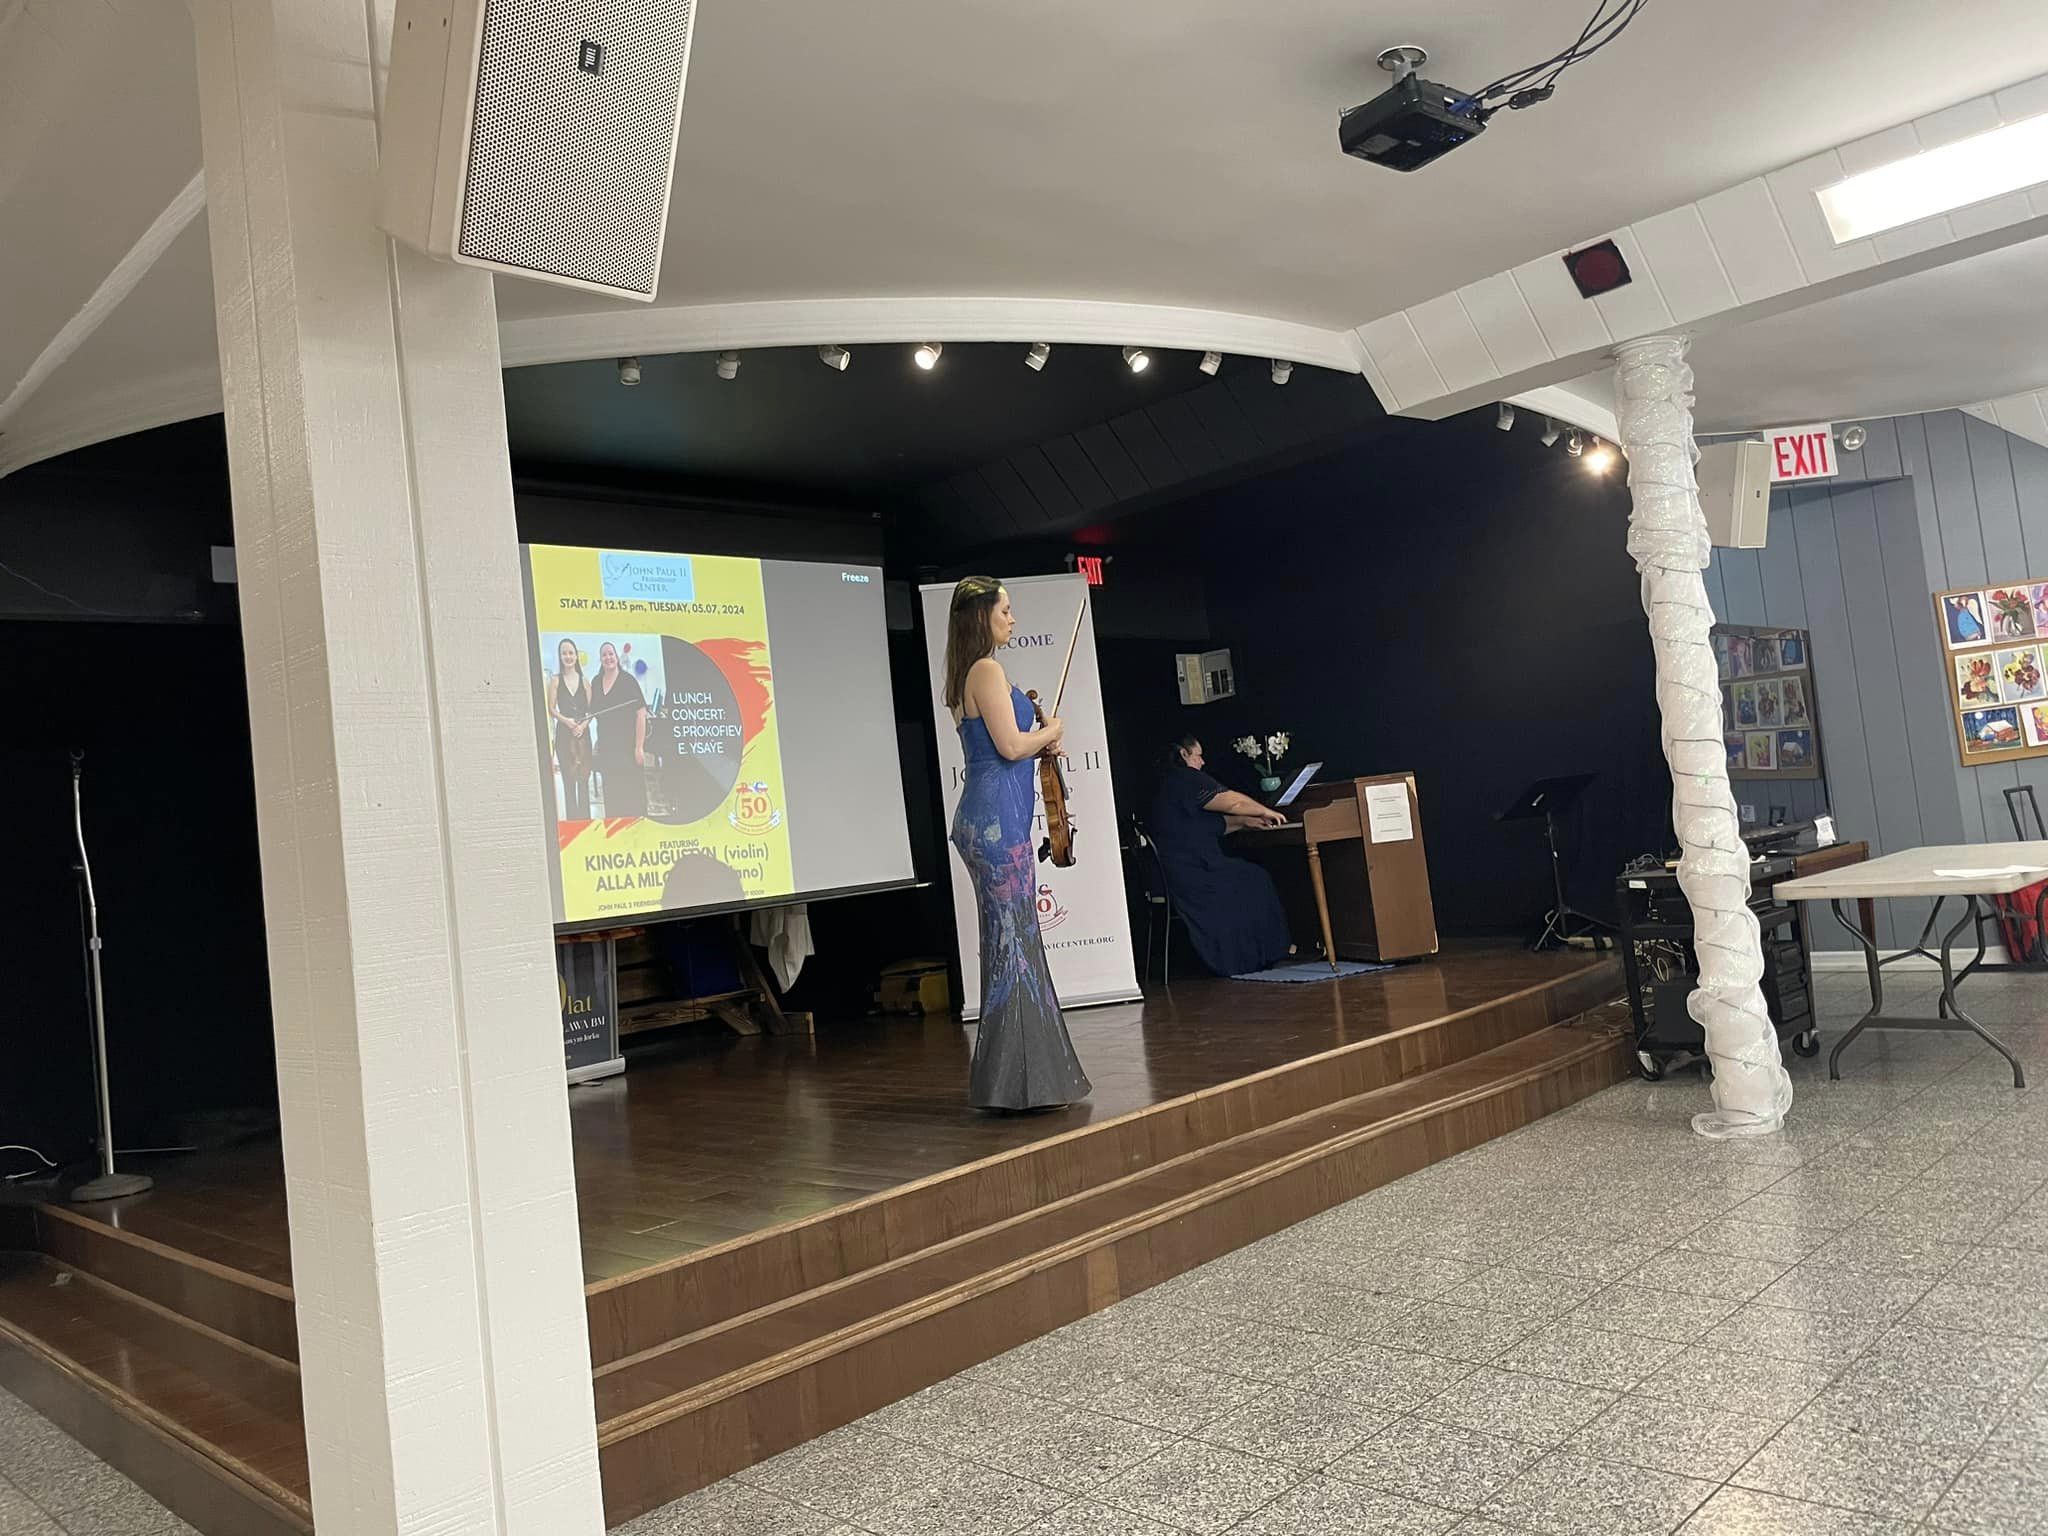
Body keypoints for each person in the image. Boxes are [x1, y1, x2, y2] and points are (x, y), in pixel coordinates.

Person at [943, 575, 1092, 1112]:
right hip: (995, 824)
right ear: (981, 615)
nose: (1012, 618)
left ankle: (1019, 1083)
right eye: (1004, 609)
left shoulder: (971, 670)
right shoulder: (985, 670)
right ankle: (1022, 1086)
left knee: (1014, 944)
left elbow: (1007, 744)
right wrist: (1051, 732)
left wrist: (1041, 738)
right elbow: (1009, 747)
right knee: (1016, 947)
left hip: (991, 818)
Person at [1146, 736, 1295, 975]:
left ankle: (1258, 953)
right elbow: (1233, 802)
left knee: (1248, 874)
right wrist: (1266, 810)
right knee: (1254, 877)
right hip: (1191, 873)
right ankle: (1261, 954)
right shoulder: (1186, 778)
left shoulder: (1166, 783)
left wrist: (1245, 821)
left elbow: (1203, 825)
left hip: (1172, 874)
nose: (1202, 762)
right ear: (1183, 754)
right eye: (1198, 755)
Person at [590, 641, 649, 818]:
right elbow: (592, 712)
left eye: (611, 654)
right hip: (607, 750)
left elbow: (641, 714)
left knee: (632, 794)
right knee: (612, 795)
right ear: (600, 659)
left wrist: (639, 747)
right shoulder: (595, 682)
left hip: (627, 749)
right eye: (604, 655)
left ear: (616, 657)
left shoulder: (628, 680)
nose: (608, 657)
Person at [547, 638, 594, 821]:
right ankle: (573, 822)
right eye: (564, 653)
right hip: (564, 735)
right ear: (560, 656)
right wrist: (567, 721)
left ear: (576, 655)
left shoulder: (585, 681)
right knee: (568, 780)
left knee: (583, 780)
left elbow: (591, 710)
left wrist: (583, 725)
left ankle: (586, 821)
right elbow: (551, 709)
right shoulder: (555, 680)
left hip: (583, 734)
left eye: (571, 653)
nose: (568, 656)